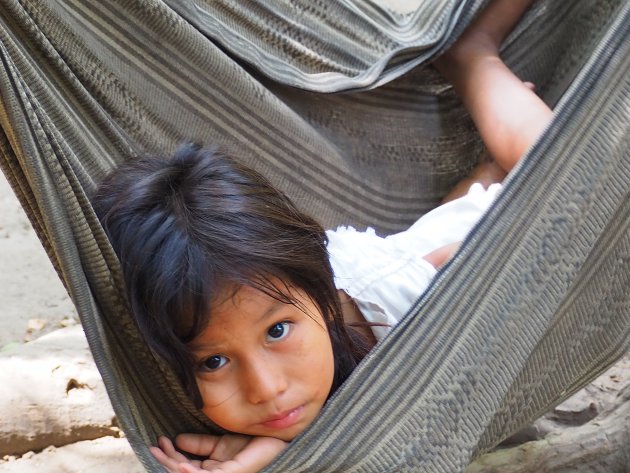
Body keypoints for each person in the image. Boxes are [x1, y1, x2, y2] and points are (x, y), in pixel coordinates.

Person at [91, 0, 553, 472]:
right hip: (372, 259)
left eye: (277, 332)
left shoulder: (398, 315)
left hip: (430, 264)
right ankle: (489, 166)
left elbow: (454, 261)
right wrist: (283, 451)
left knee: (559, 170)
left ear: (324, 302)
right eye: (212, 362)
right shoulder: (262, 308)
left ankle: (472, 58)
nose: (266, 389)